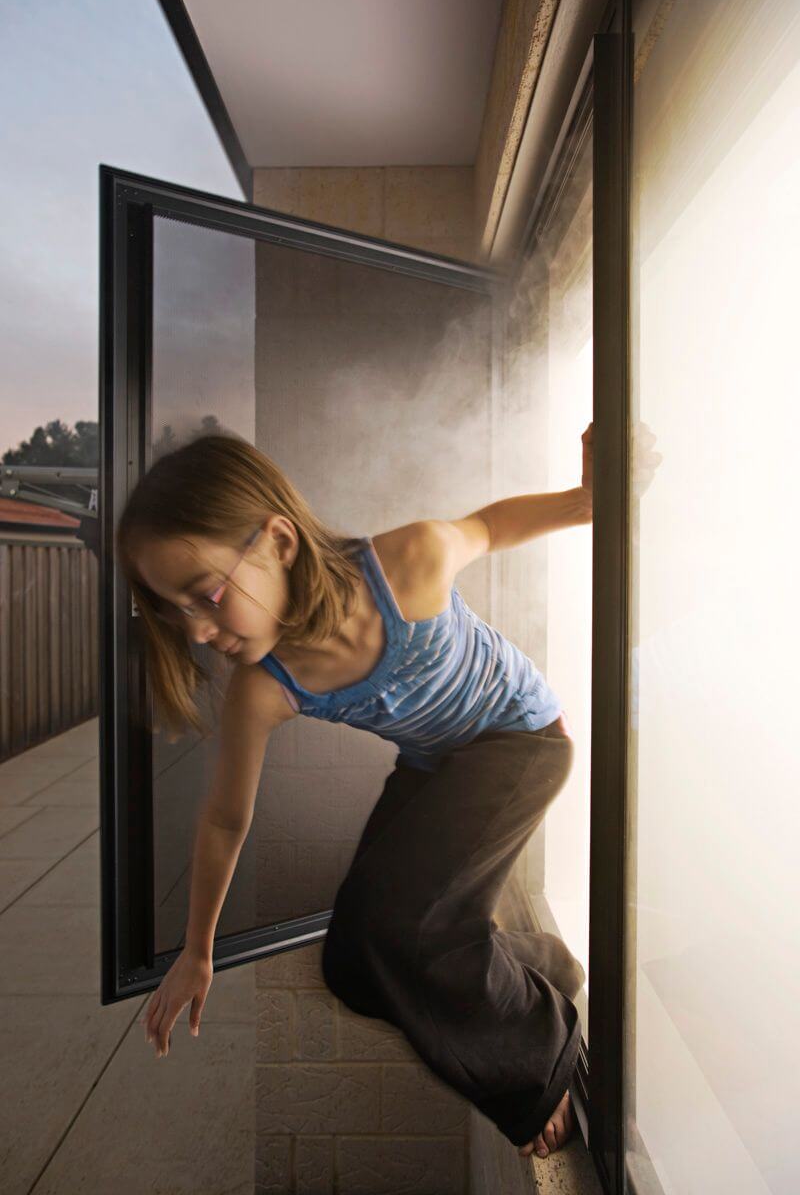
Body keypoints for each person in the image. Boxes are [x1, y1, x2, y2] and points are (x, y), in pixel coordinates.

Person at [116, 425, 595, 1161]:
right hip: (436, 763)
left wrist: (586, 499)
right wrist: (197, 950)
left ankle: (542, 1062)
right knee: (351, 964)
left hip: (521, 742)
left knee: (403, 927)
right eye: (176, 613)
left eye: (206, 595)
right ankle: (539, 962)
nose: (200, 631)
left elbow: (493, 527)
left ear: (278, 540)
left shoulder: (408, 563)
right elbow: (223, 821)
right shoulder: (262, 690)